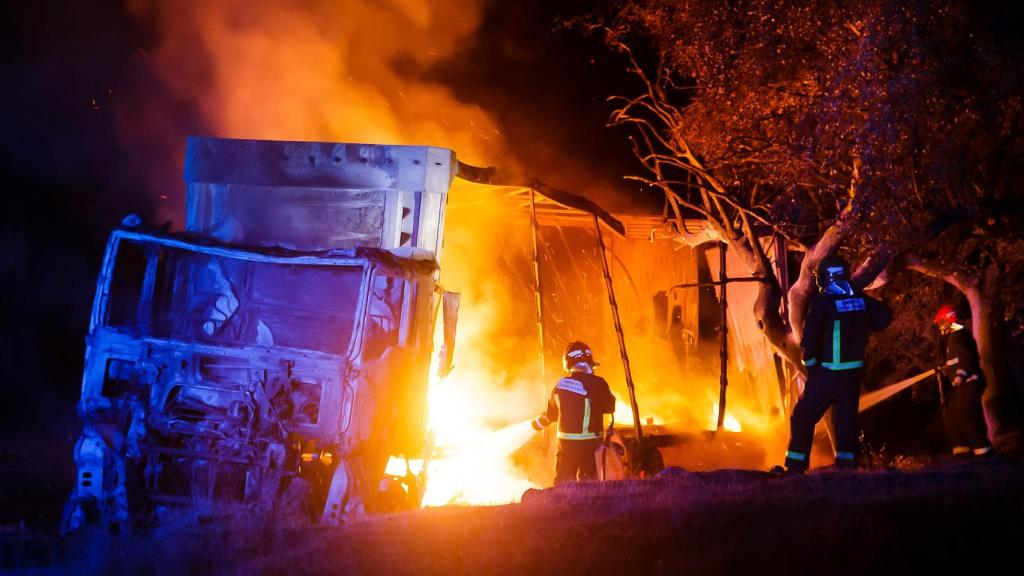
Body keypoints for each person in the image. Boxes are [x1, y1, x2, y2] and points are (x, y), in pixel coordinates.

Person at [780, 255, 892, 473]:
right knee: (846, 421)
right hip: (853, 373)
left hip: (830, 372)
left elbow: (809, 340)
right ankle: (846, 467)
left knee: (802, 415)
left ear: (828, 277)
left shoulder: (824, 302)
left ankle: (795, 467)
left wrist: (811, 367)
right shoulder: (860, 298)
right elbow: (884, 318)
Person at [532, 341, 616, 484]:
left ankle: (564, 505)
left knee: (563, 483)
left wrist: (537, 424)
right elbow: (609, 407)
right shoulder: (599, 383)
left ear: (567, 361)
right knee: (589, 483)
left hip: (566, 446)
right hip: (590, 445)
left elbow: (551, 415)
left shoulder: (561, 385)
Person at [934, 305, 994, 459]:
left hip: (969, 382)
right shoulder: (953, 338)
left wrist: (960, 375)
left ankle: (984, 452)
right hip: (960, 385)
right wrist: (945, 368)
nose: (940, 327)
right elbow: (956, 360)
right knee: (953, 417)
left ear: (949, 319)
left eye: (941, 322)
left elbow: (966, 358)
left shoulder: (960, 335)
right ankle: (961, 453)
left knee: (966, 415)